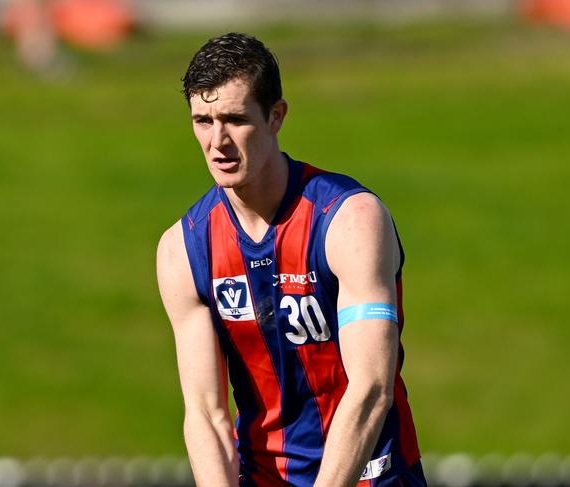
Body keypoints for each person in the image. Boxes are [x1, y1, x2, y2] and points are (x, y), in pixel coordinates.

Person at [157, 32, 427, 487]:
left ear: (276, 116)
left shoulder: (350, 221)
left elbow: (371, 388)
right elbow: (205, 410)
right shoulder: (183, 249)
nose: (217, 141)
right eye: (202, 120)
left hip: (369, 478)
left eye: (235, 119)